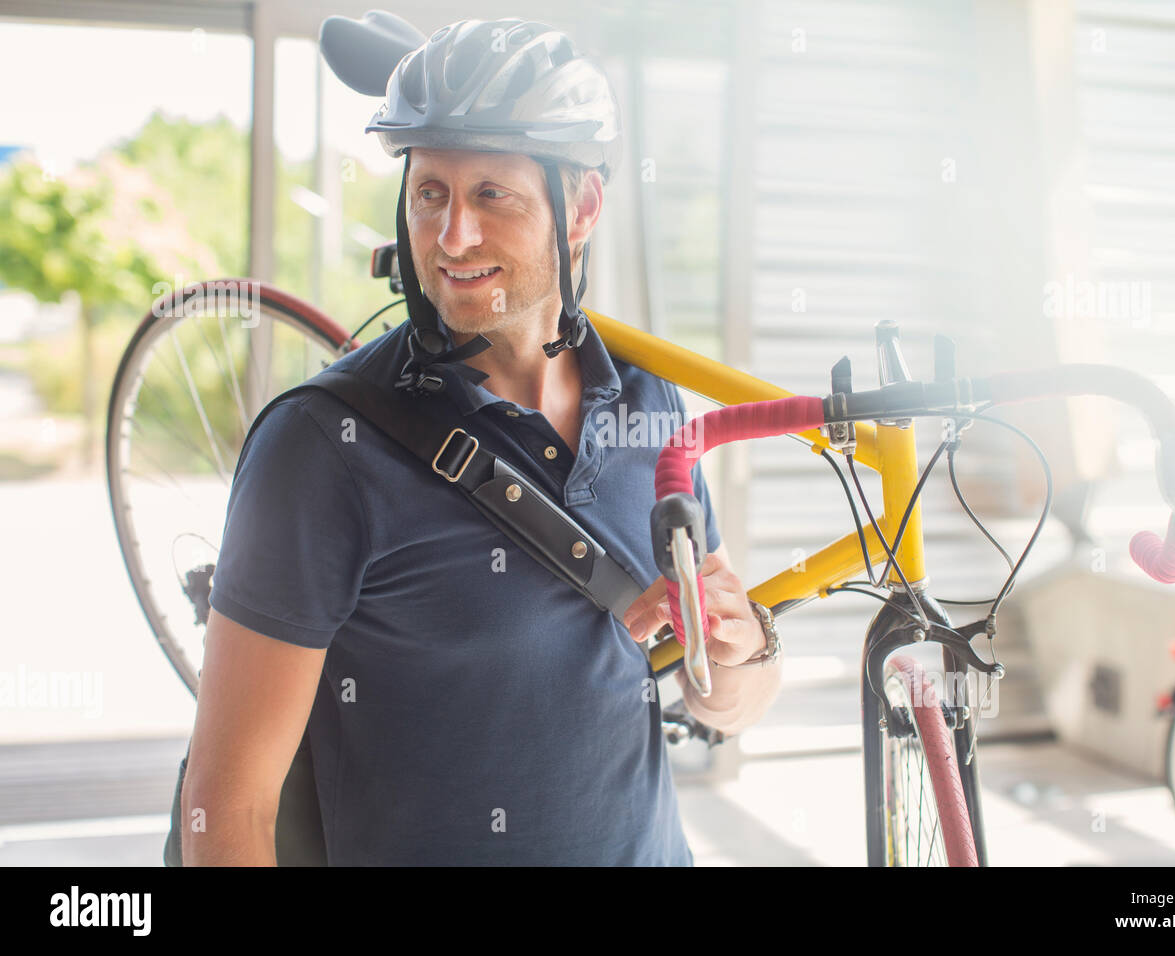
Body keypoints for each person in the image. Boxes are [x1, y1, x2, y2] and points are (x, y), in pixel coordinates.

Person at [181, 16, 782, 866]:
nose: (450, 237)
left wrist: (740, 650)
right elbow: (228, 805)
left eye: (491, 195)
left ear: (582, 208)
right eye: (430, 193)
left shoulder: (647, 404)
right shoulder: (321, 447)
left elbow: (726, 704)